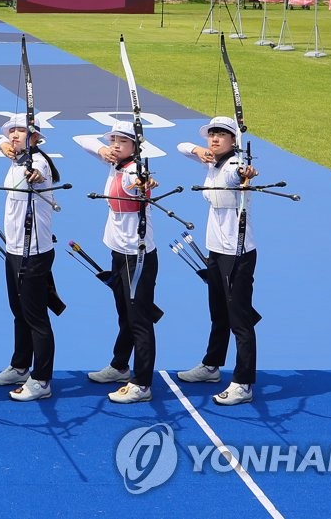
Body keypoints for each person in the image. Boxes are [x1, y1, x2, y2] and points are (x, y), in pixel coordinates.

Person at [175, 116, 260, 406]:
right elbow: (181, 146)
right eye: (212, 134)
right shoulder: (211, 160)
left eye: (222, 135)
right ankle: (212, 366)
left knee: (240, 320)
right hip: (215, 250)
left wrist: (246, 173)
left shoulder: (235, 165)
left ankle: (244, 382)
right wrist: (199, 152)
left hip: (238, 253)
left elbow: (242, 172)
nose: (214, 139)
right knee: (218, 313)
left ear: (234, 141)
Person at [75, 121, 161, 403]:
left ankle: (142, 383)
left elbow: (140, 182)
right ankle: (120, 366)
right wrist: (103, 150)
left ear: (136, 147)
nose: (115, 145)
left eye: (122, 142)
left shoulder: (133, 171)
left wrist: (144, 182)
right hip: (118, 251)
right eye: (113, 140)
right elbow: (81, 138)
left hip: (137, 256)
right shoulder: (115, 164)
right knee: (124, 312)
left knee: (139, 320)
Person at [0, 114, 60, 401]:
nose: (14, 135)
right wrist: (6, 145)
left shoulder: (37, 162)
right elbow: (1, 143)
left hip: (34, 252)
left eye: (21, 130)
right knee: (18, 311)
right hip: (15, 248)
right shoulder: (17, 156)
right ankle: (20, 366)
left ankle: (41, 379)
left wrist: (35, 174)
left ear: (36, 136)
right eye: (11, 131)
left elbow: (38, 172)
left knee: (36, 317)